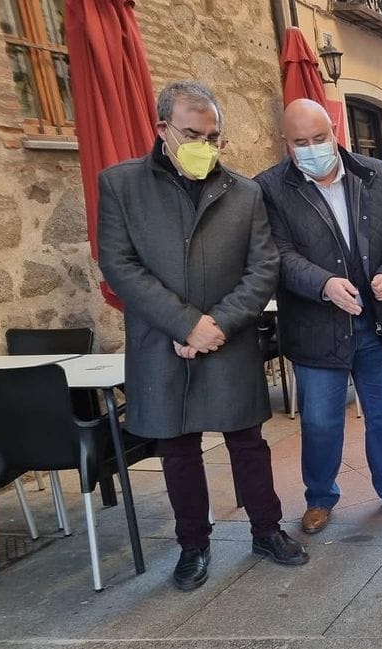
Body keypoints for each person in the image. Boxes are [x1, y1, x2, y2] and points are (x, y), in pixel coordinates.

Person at [98, 80, 309, 591]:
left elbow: (263, 267)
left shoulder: (244, 191)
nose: (205, 147)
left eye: (214, 137)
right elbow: (119, 265)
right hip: (162, 342)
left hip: (227, 337)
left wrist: (215, 324)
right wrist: (185, 323)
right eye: (194, 134)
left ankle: (266, 529)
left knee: (247, 441)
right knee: (178, 450)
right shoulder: (121, 185)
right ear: (163, 129)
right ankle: (193, 544)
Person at [256, 100, 382, 534]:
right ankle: (320, 497)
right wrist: (324, 284)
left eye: (319, 138)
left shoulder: (376, 175)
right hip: (316, 328)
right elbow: (277, 255)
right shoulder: (270, 189)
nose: (312, 148)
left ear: (335, 129)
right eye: (300, 143)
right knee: (321, 420)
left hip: (378, 323)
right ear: (286, 144)